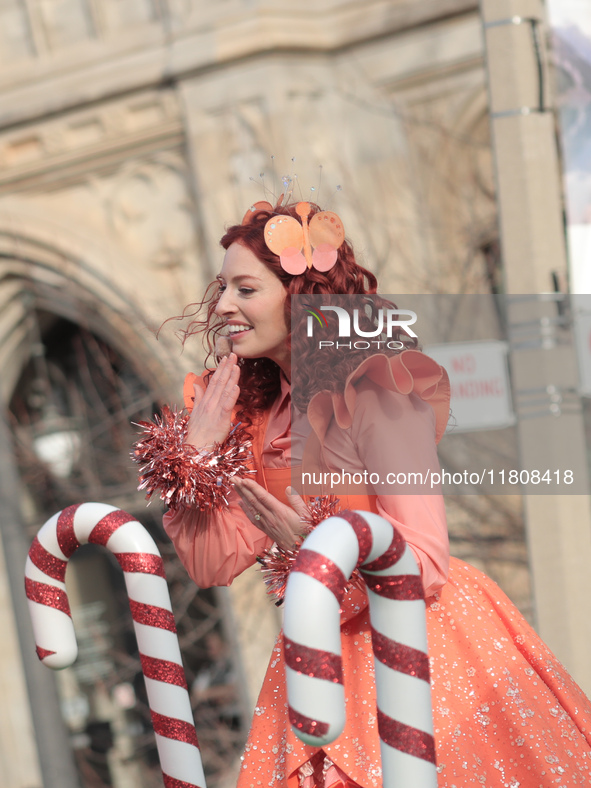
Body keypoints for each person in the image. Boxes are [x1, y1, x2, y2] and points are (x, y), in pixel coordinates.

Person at [155, 200, 591, 788]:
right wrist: (196, 456)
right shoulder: (255, 413)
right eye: (221, 288)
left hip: (423, 655)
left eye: (245, 288)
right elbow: (210, 563)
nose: (224, 305)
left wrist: (312, 553)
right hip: (319, 659)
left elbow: (427, 561)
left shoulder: (377, 387)